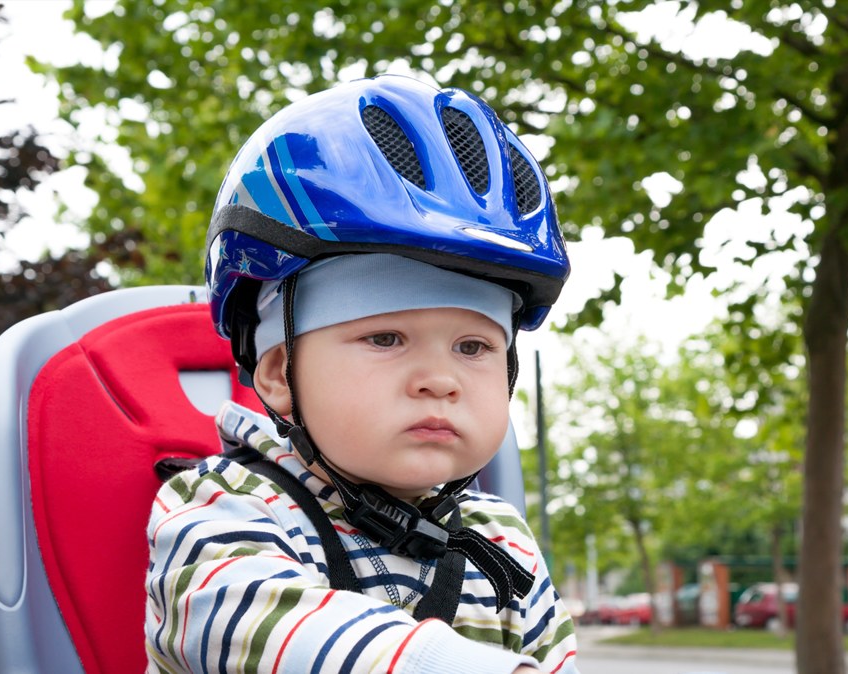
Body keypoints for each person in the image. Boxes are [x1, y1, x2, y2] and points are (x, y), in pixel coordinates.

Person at [145, 74, 578, 673]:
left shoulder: (503, 541)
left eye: (474, 347)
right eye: (385, 337)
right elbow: (257, 628)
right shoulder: (228, 503)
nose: (440, 379)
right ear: (278, 373)